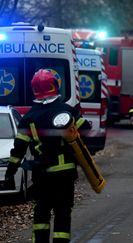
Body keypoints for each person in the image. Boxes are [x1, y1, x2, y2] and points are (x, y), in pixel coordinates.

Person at [5, 69, 91, 242]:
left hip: (42, 175)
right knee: (62, 213)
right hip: (64, 175)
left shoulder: (28, 117)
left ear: (34, 89)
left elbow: (18, 149)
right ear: (55, 86)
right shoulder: (67, 110)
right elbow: (86, 129)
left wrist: (10, 173)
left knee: (42, 213)